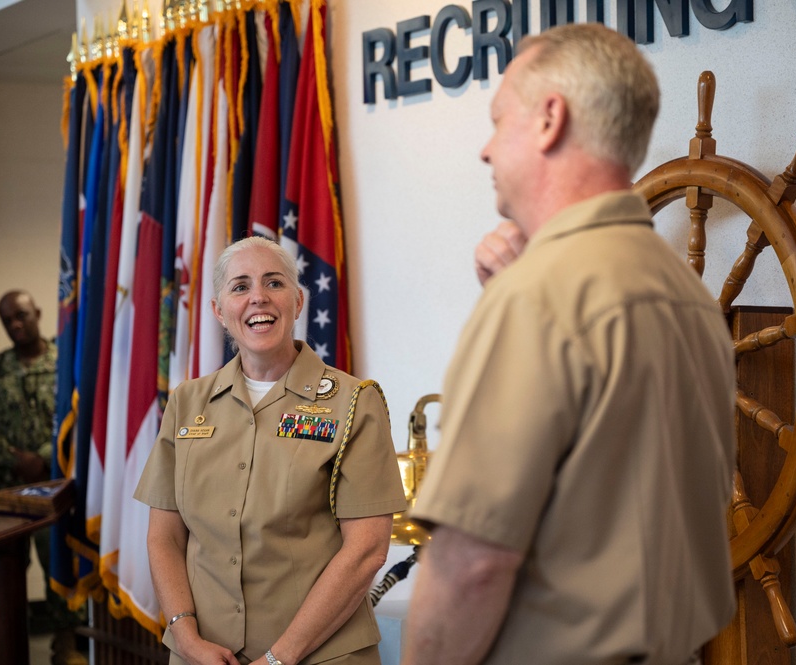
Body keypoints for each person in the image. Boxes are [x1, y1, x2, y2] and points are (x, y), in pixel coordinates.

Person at [404, 23, 737, 665]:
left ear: (549, 119)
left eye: (498, 119)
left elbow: (471, 565)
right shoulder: (687, 293)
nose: (485, 149)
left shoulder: (537, 297)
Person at [134, 236, 407, 665]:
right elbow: (164, 536)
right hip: (203, 655)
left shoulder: (353, 401)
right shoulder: (187, 402)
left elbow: (366, 550)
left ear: (298, 301)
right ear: (219, 310)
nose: (258, 297)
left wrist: (280, 657)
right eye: (240, 287)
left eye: (274, 283)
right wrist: (185, 637)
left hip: (322, 655)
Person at [0, 290, 86, 665]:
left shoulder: (65, 362)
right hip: (4, 489)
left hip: (55, 487)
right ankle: (3, 644)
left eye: (21, 315)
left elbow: (79, 417)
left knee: (58, 564)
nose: (16, 325)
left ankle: (64, 644)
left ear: (37, 311)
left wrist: (44, 459)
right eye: (8, 320)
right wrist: (12, 458)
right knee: (3, 570)